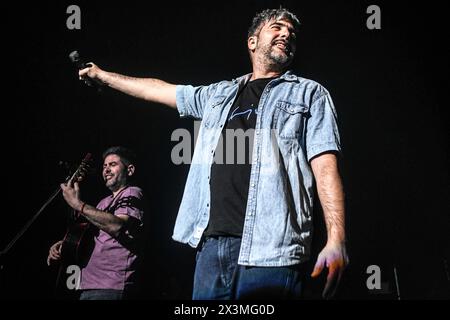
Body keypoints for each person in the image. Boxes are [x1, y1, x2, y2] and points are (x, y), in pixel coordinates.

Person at [78, 8, 348, 299]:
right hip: (211, 248)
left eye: (292, 33)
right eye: (278, 28)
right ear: (253, 41)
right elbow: (159, 90)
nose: (287, 34)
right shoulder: (218, 95)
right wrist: (102, 76)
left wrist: (337, 238)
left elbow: (325, 166)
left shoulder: (309, 94)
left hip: (273, 247)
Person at [47, 146, 145, 300]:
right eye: (104, 166)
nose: (106, 169)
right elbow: (89, 235)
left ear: (130, 170)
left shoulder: (132, 192)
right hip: (89, 284)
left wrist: (78, 204)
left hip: (112, 285)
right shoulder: (103, 203)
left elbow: (117, 225)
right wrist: (65, 243)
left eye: (113, 164)